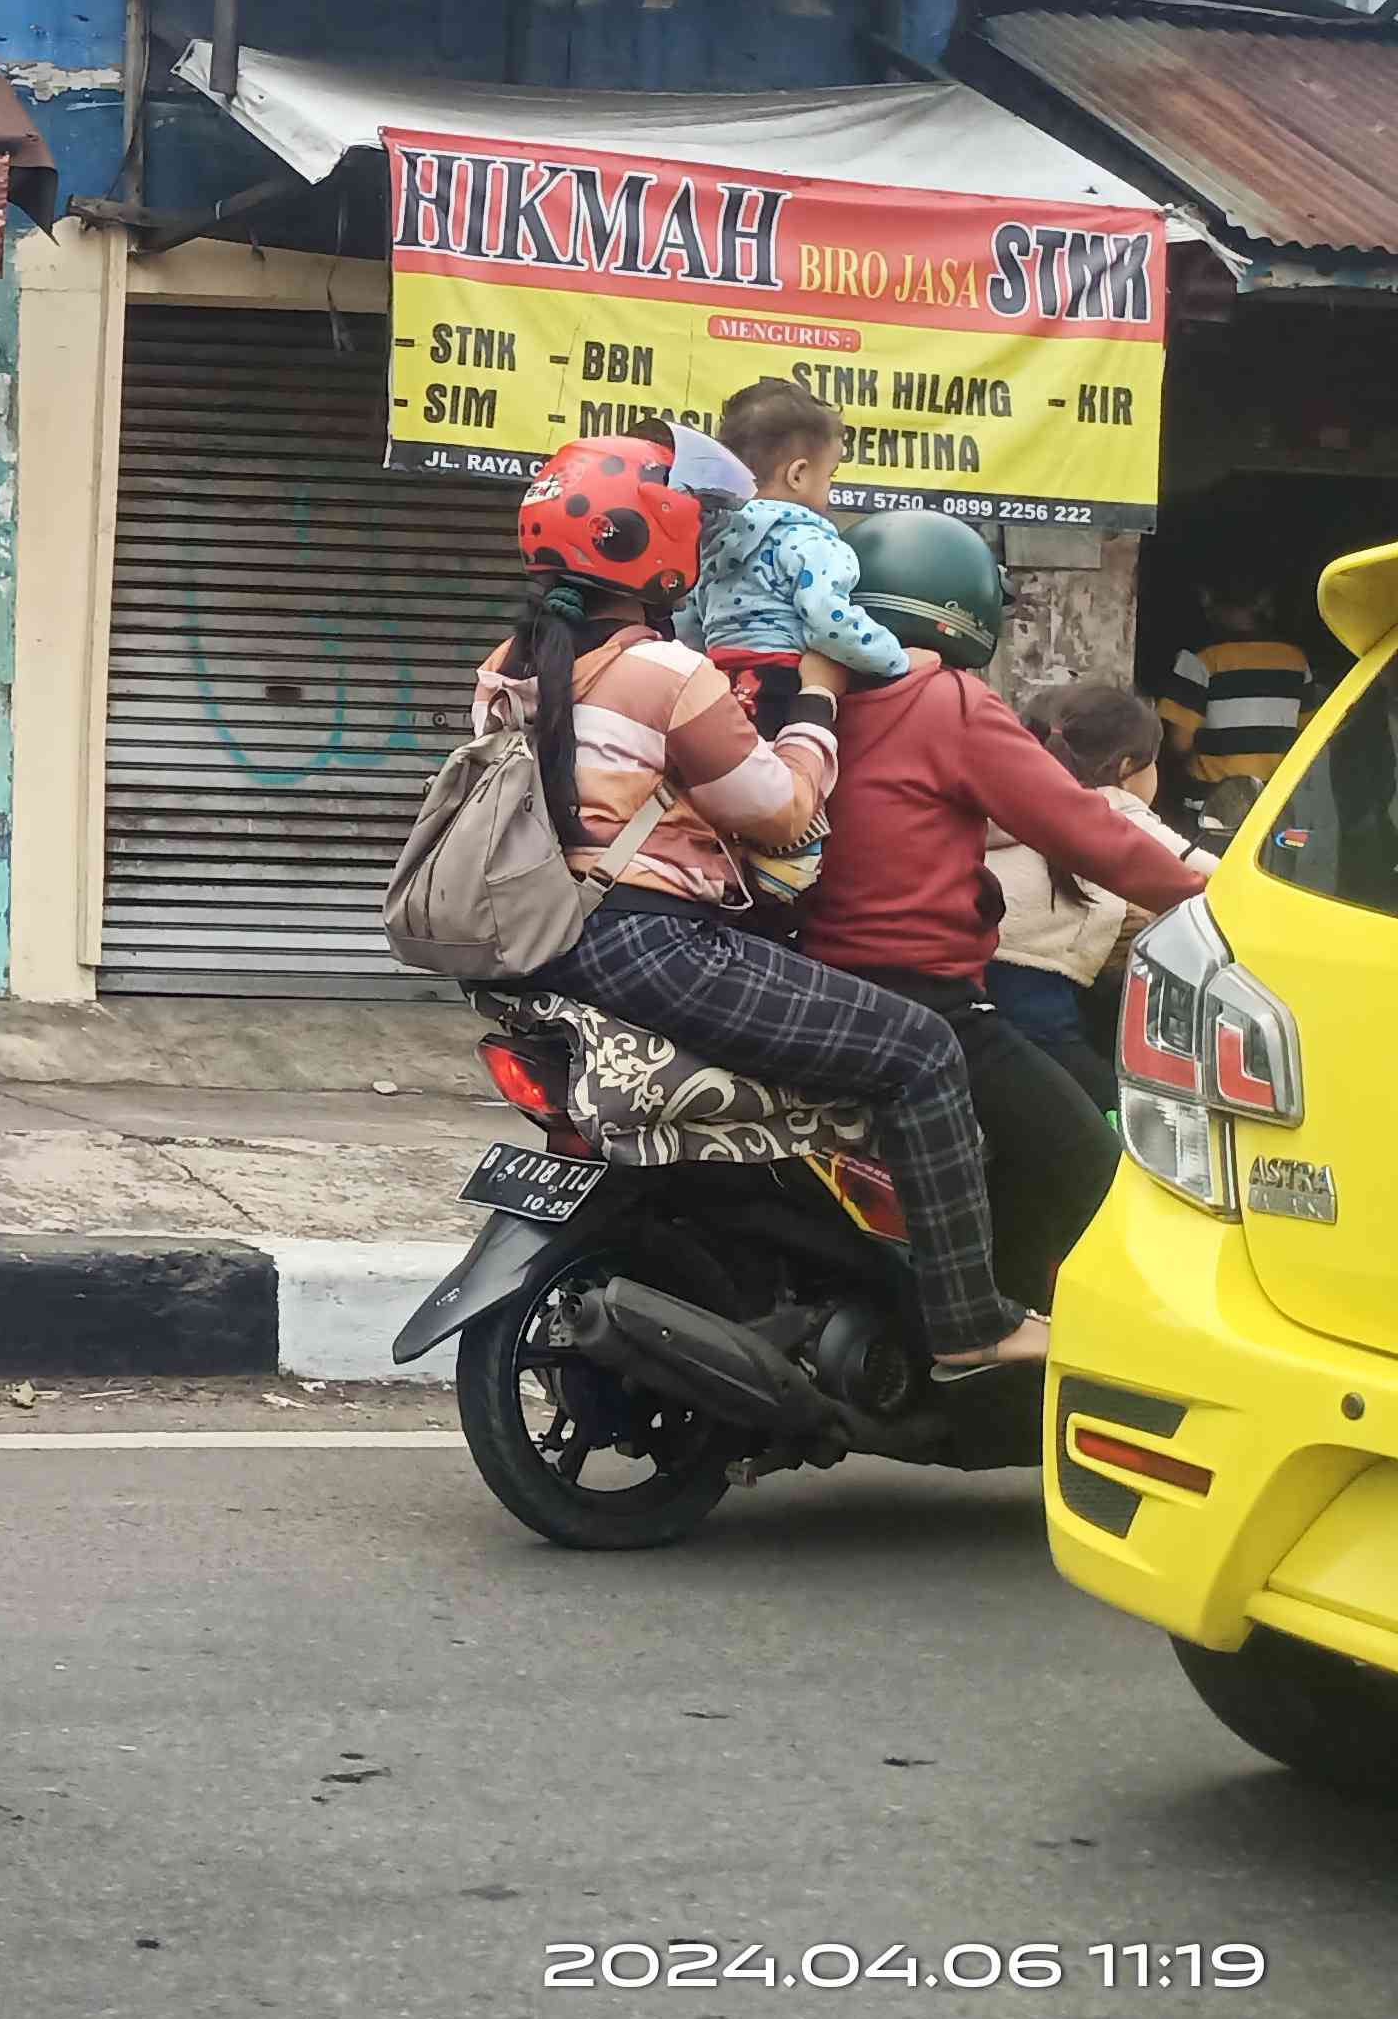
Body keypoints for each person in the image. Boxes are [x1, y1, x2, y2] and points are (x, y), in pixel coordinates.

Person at [478, 437, 1041, 1370]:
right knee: (920, 1050)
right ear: (656, 544)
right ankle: (972, 1325)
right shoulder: (665, 672)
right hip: (658, 944)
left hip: (552, 939)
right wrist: (817, 697)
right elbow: (780, 814)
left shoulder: (508, 665)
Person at [799, 511, 1203, 1316]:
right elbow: (1095, 834)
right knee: (1091, 1159)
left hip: (820, 985)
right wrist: (1219, 906)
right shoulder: (948, 701)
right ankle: (1000, 1336)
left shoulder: (825, 701)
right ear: (964, 608)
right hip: (929, 999)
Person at [682, 378, 908, 909]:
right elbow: (829, 622)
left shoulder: (712, 545)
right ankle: (784, 884)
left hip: (720, 685)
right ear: (799, 474)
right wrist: (895, 658)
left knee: (728, 786)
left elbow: (689, 625)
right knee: (793, 792)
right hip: (785, 681)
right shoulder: (810, 540)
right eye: (830, 476)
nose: (829, 492)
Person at [987, 683, 1215, 1103]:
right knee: (1119, 1111)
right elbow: (1213, 879)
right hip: (1032, 992)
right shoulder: (1112, 809)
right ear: (1129, 767)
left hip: (979, 973)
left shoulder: (1015, 798)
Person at [1162, 579, 1316, 822]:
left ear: (1207, 598)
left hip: (1213, 805)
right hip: (1277, 803)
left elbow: (1179, 742)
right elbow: (1309, 734)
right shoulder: (1296, 660)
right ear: (1263, 602)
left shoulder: (1200, 659)